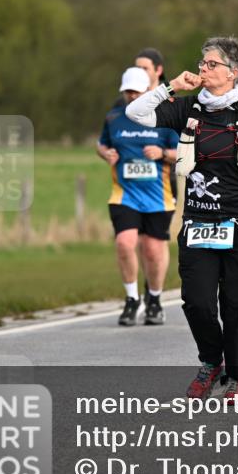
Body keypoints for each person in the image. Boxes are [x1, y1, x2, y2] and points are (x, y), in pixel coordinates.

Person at [126, 36, 238, 402]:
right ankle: (210, 361)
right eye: (201, 63)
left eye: (211, 64)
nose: (203, 68)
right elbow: (135, 114)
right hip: (198, 224)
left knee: (235, 306)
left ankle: (235, 376)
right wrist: (171, 86)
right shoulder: (185, 108)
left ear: (232, 73)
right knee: (197, 302)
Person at [98, 67, 179, 326]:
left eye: (137, 91)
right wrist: (105, 154)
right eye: (128, 91)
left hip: (158, 196)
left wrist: (162, 153)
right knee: (124, 242)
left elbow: (183, 153)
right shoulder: (114, 118)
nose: (132, 96)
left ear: (148, 91)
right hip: (125, 194)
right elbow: (102, 144)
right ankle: (132, 299)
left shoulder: (164, 117)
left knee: (154, 251)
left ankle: (154, 299)